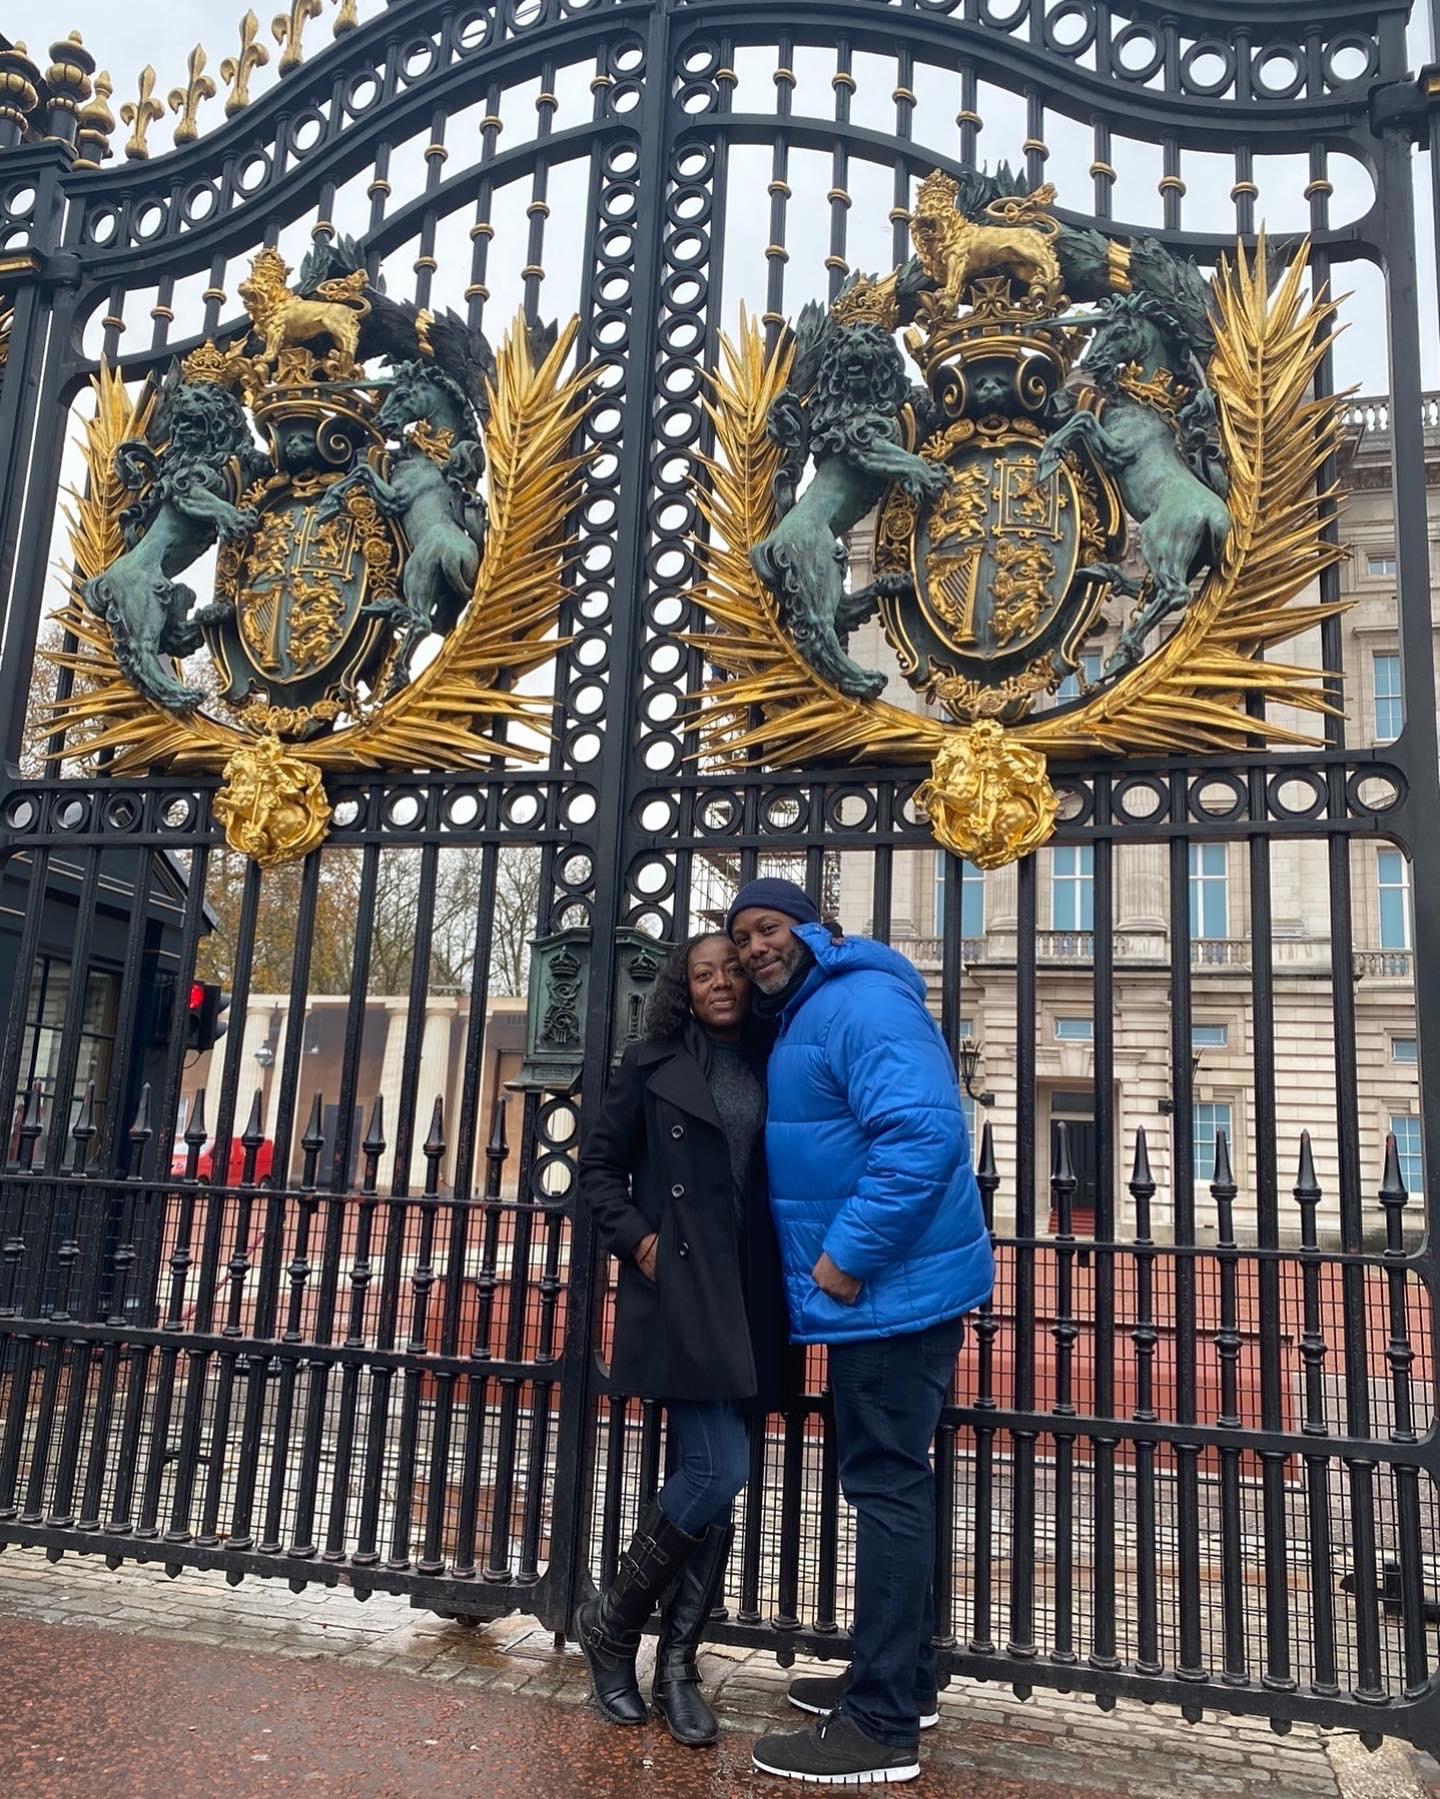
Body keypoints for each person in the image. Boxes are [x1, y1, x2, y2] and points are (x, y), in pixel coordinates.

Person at [726, 877, 995, 1787]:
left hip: (887, 1291)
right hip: (888, 1294)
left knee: (885, 1488)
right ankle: (904, 1678)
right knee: (894, 1483)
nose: (757, 947)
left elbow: (922, 1137)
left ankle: (879, 1725)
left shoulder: (859, 1001)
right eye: (743, 936)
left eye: (769, 928)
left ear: (811, 927)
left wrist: (842, 1260)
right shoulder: (822, 1004)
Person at [576, 933, 790, 1746]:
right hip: (683, 1287)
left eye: (732, 967)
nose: (722, 982)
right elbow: (597, 1168)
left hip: (750, 1289)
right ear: (684, 988)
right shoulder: (651, 1061)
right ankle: (613, 1621)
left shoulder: (777, 1054)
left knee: (717, 1486)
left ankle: (675, 1662)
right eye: (703, 973)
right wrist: (639, 1241)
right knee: (718, 1466)